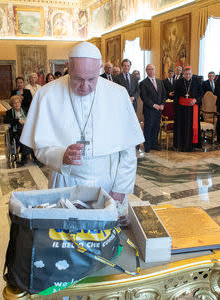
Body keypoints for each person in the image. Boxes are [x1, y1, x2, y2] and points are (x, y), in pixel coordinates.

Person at [21, 42, 144, 225]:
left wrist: (121, 188)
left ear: (100, 69)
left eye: (91, 79)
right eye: (77, 79)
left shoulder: (118, 95)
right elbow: (40, 147)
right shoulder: (46, 95)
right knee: (66, 241)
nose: (85, 86)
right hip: (65, 182)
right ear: (68, 67)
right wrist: (61, 155)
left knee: (104, 240)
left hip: (108, 182)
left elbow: (127, 150)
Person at [173, 66, 203, 151]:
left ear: (192, 74)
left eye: (189, 74)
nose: (188, 76)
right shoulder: (179, 82)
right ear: (183, 74)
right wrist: (176, 108)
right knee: (182, 126)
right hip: (181, 109)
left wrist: (196, 100)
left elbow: (201, 94)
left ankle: (193, 144)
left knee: (192, 126)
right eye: (186, 74)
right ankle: (181, 144)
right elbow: (176, 96)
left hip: (193, 108)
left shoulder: (197, 81)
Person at [139, 64, 166, 152]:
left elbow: (164, 94)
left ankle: (154, 144)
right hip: (149, 109)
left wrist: (162, 104)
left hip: (159, 110)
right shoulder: (143, 83)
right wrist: (154, 105)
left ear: (155, 70)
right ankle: (147, 145)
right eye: (149, 69)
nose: (151, 71)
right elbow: (144, 97)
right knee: (148, 127)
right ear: (146, 71)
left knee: (156, 127)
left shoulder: (160, 82)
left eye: (152, 69)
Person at [4, 95, 36, 166]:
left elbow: (31, 118)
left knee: (31, 134)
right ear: (12, 105)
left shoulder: (24, 110)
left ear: (20, 103)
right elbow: (6, 120)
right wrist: (18, 120)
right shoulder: (9, 112)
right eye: (15, 103)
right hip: (16, 132)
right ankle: (25, 156)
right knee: (23, 132)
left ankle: (32, 156)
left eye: (18, 102)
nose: (17, 104)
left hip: (27, 130)